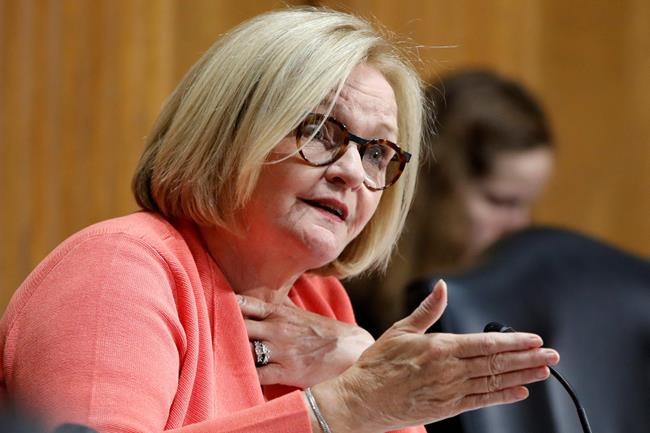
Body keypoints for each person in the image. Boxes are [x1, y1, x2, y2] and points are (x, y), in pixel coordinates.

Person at [0, 8, 559, 433]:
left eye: (376, 153)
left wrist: (360, 359)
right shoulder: (120, 270)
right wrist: (339, 407)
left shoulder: (320, 305)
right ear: (227, 131)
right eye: (319, 131)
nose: (351, 172)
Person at [347, 69, 555, 336]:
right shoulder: (347, 294)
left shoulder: (527, 304)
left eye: (528, 204)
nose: (520, 225)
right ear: (432, 184)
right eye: (500, 201)